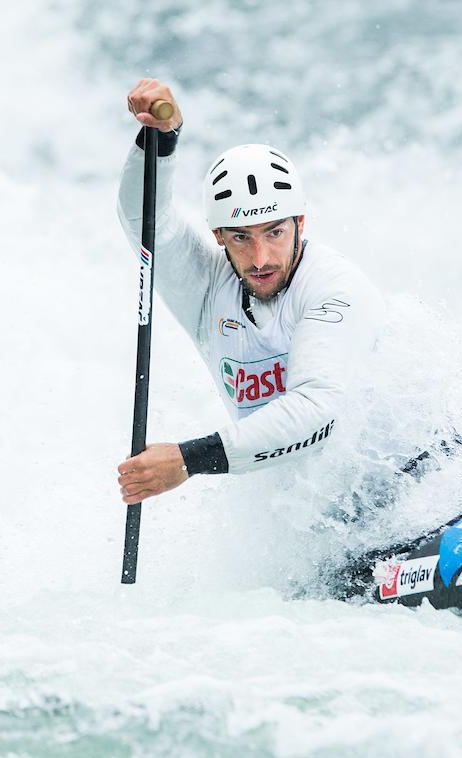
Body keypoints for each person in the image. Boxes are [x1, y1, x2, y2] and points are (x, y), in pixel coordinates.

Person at [115, 79, 384, 506]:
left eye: (274, 232)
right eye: (241, 237)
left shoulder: (335, 289)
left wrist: (187, 460)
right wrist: (163, 137)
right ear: (218, 236)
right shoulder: (208, 289)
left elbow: (318, 409)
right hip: (316, 521)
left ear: (300, 221)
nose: (260, 258)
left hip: (414, 489)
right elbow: (143, 217)